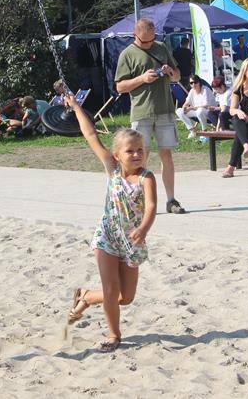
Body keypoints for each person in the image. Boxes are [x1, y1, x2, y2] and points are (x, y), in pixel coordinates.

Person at [63, 92, 157, 353]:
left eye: (140, 150)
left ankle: (86, 296)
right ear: (117, 155)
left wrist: (143, 228)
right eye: (130, 151)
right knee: (111, 289)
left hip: (132, 241)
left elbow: (151, 206)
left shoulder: (147, 177)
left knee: (125, 297)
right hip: (107, 236)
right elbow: (91, 135)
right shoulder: (112, 169)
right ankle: (114, 335)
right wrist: (76, 106)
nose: (136, 154)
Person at [115, 18, 186, 214]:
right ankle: (140, 201)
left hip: (165, 109)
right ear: (134, 35)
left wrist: (170, 72)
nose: (149, 44)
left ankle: (171, 200)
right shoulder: (127, 54)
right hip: (141, 111)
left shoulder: (161, 47)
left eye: (152, 40)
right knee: (139, 157)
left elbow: (178, 76)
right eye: (145, 41)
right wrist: (142, 78)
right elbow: (120, 86)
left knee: (166, 155)